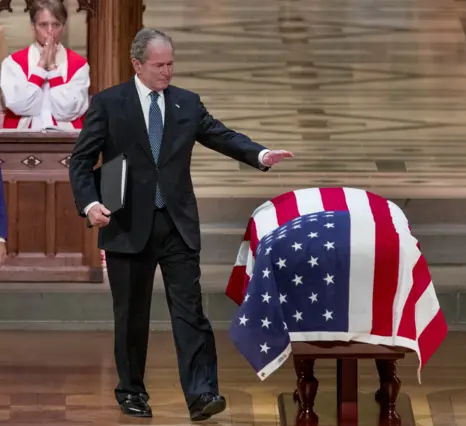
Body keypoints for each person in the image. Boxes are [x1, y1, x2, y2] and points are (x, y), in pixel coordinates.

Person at [67, 28, 294, 421]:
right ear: (137, 64)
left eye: (171, 64)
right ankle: (131, 391)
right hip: (126, 227)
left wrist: (259, 154)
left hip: (177, 226)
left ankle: (203, 394)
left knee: (191, 313)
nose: (167, 72)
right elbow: (81, 161)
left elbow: (218, 134)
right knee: (132, 317)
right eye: (159, 65)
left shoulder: (186, 104)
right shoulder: (108, 104)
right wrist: (89, 204)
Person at [0, 0, 89, 130]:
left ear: (64, 27)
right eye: (43, 25)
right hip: (21, 140)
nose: (50, 31)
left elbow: (67, 110)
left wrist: (53, 69)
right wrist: (41, 66)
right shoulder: (13, 63)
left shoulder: (79, 64)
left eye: (56, 25)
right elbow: (20, 105)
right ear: (33, 26)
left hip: (66, 139)